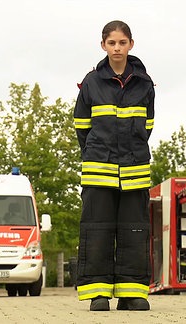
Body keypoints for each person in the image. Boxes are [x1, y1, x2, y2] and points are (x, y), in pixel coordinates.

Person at [73, 20, 155, 311]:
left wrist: (131, 152)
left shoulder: (145, 84)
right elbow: (82, 127)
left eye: (122, 43)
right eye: (112, 43)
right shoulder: (91, 83)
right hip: (99, 169)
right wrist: (98, 154)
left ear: (131, 44)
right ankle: (98, 294)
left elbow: (147, 127)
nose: (117, 48)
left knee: (135, 230)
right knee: (97, 231)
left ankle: (132, 293)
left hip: (134, 170)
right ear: (103, 46)